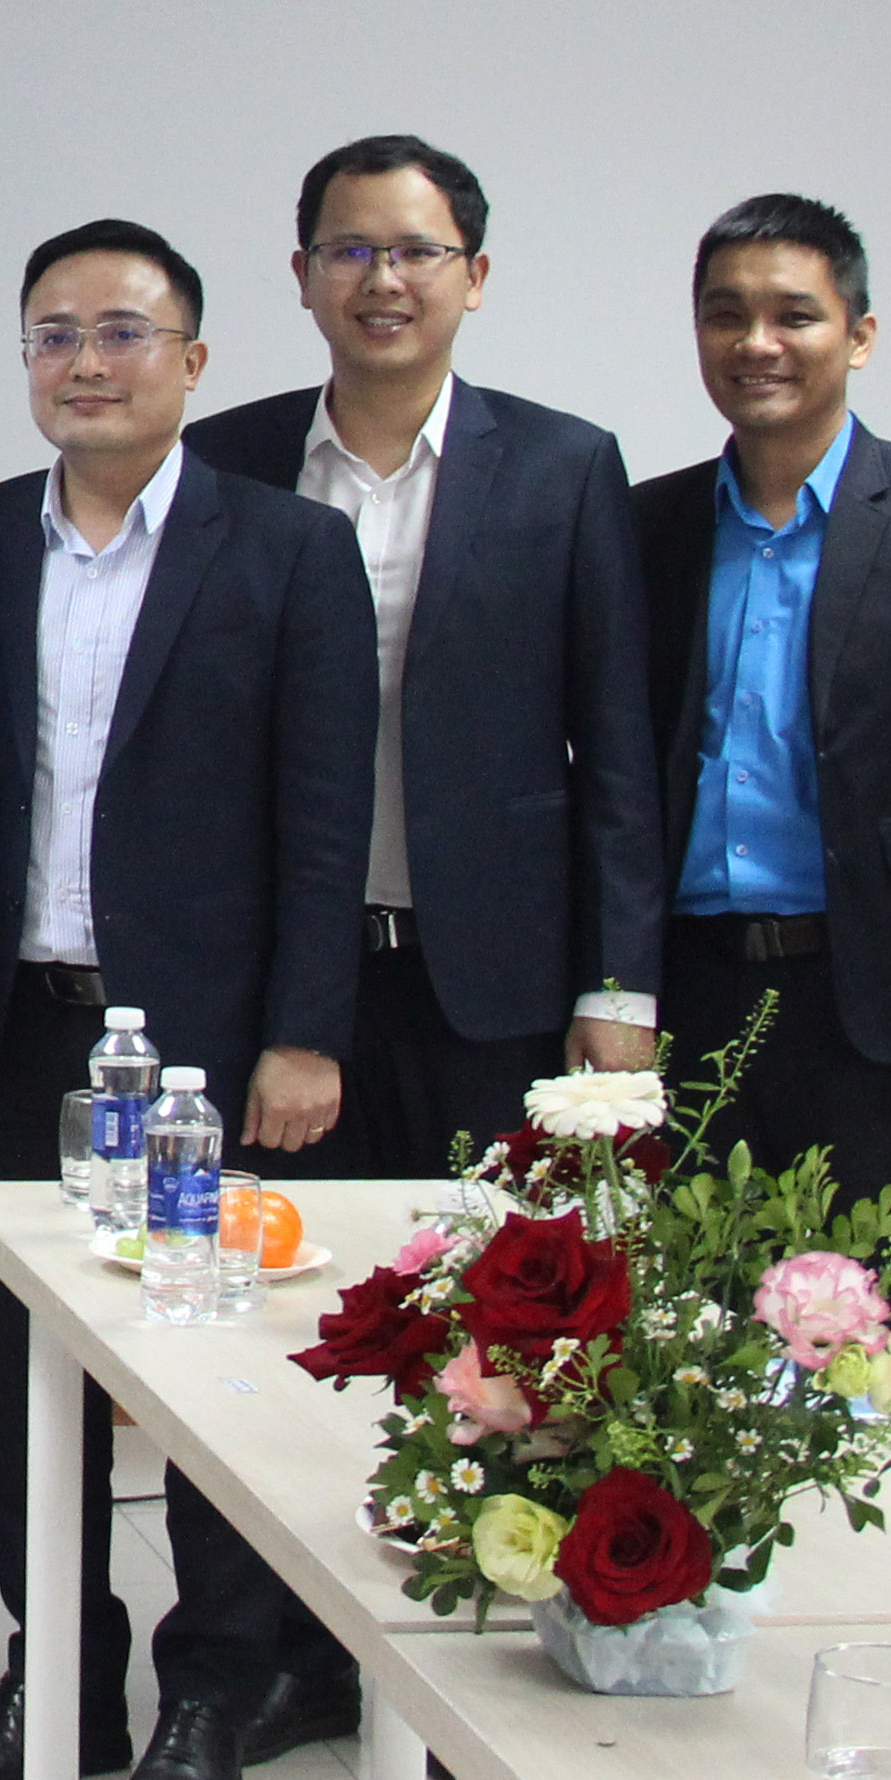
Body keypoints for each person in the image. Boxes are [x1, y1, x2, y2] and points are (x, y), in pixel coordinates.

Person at [0, 220, 375, 1780]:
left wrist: (305, 1033)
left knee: (205, 1373)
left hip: (191, 1050)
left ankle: (211, 1689)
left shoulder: (282, 550)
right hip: (18, 1029)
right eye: (53, 334)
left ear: (190, 360)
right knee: (24, 1369)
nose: (86, 363)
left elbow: (324, 820)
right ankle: (62, 1675)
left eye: (121, 332)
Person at [179, 131, 662, 1174]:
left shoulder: (561, 469)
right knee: (279, 1304)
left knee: (484, 1310)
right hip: (275, 984)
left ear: (472, 276)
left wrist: (616, 989)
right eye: (346, 251)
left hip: (490, 983)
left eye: (415, 251)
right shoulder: (223, 466)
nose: (380, 279)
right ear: (301, 275)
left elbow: (618, 751)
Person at [631, 195, 891, 1321]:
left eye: (792, 314)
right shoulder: (650, 527)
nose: (754, 343)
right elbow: (616, 782)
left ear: (856, 335)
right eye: (724, 314)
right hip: (692, 990)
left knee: (874, 1331)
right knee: (691, 1326)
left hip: (871, 1004)